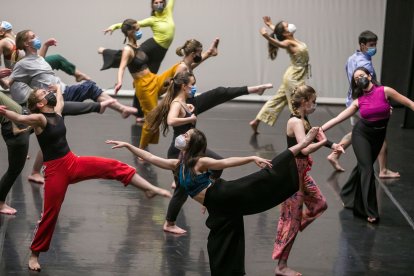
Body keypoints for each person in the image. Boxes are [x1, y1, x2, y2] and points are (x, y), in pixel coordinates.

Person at [0, 84, 172, 271]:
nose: (48, 93)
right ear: (40, 104)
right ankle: (34, 254)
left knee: (112, 166)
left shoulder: (56, 112)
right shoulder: (40, 119)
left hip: (72, 161)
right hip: (55, 171)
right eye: (44, 93)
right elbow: (19, 117)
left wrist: (57, 87)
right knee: (51, 213)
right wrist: (4, 112)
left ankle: (147, 189)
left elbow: (61, 101)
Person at [106, 127, 319, 275]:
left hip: (225, 194)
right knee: (220, 241)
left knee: (261, 179)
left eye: (186, 136)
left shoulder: (200, 162)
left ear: (192, 144)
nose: (182, 137)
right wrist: (128, 146)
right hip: (218, 206)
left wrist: (251, 158)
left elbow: (226, 161)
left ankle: (302, 145)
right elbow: (151, 158)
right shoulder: (177, 164)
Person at [146, 71, 273, 234]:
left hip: (191, 149)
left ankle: (206, 193)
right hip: (179, 151)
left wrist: (190, 110)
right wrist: (189, 119)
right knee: (181, 190)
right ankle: (169, 223)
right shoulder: (177, 103)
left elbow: (215, 95)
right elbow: (171, 120)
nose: (194, 87)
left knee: (217, 165)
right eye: (192, 84)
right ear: (184, 86)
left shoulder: (185, 102)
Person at [321, 67, 414, 223]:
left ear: (370, 76)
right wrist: (320, 129)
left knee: (363, 167)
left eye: (362, 76)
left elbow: (410, 103)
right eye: (356, 79)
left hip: (379, 135)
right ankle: (371, 211)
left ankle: (348, 193)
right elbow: (338, 118)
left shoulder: (385, 91)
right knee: (367, 169)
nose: (360, 79)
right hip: (361, 135)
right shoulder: (358, 101)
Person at [112, 18, 218, 150]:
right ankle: (141, 149)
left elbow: (184, 68)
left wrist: (207, 53)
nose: (139, 31)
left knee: (181, 67)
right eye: (137, 29)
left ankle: (206, 55)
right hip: (144, 87)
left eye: (139, 28)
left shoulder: (137, 46)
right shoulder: (128, 50)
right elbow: (122, 67)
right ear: (129, 32)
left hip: (153, 79)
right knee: (151, 120)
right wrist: (120, 82)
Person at [273, 85, 343, 276]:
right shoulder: (295, 121)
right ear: (304, 102)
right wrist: (321, 143)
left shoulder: (303, 118)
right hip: (292, 176)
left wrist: (332, 144)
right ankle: (281, 266)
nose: (315, 105)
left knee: (320, 204)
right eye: (313, 102)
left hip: (302, 172)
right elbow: (304, 148)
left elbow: (315, 134)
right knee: (291, 222)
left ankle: (297, 222)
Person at [0, 29, 137, 119]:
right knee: (90, 87)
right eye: (33, 37)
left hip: (61, 91)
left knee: (54, 135)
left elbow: (39, 61)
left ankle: (43, 164)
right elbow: (7, 85)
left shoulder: (37, 58)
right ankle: (121, 109)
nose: (37, 38)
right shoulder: (22, 64)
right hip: (56, 97)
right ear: (26, 43)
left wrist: (46, 45)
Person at [326, 30, 400, 178]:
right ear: (363, 45)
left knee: (357, 132)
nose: (374, 48)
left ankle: (335, 154)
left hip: (354, 99)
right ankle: (383, 170)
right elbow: (370, 85)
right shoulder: (364, 64)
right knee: (378, 133)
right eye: (371, 45)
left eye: (375, 44)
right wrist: (382, 101)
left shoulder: (353, 57)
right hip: (364, 102)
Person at [102, 0, 176, 121]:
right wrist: (114, 26)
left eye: (160, 2)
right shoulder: (153, 20)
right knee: (130, 54)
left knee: (146, 82)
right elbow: (131, 25)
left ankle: (140, 112)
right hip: (152, 46)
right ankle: (109, 53)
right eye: (155, 2)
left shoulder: (168, 11)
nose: (158, 4)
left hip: (160, 53)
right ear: (152, 5)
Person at [249, 16, 310, 134]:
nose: (290, 25)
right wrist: (266, 36)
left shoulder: (292, 38)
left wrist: (270, 25)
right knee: (296, 102)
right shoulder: (288, 42)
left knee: (278, 99)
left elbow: (280, 33)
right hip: (294, 77)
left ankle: (256, 121)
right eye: (287, 25)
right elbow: (278, 43)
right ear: (286, 32)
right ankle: (300, 127)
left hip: (295, 75)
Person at [0, 20, 90, 82]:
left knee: (57, 59)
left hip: (33, 65)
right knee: (56, 60)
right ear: (1, 32)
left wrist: (46, 45)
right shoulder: (3, 43)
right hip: (24, 72)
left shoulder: (17, 38)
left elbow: (39, 59)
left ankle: (78, 75)